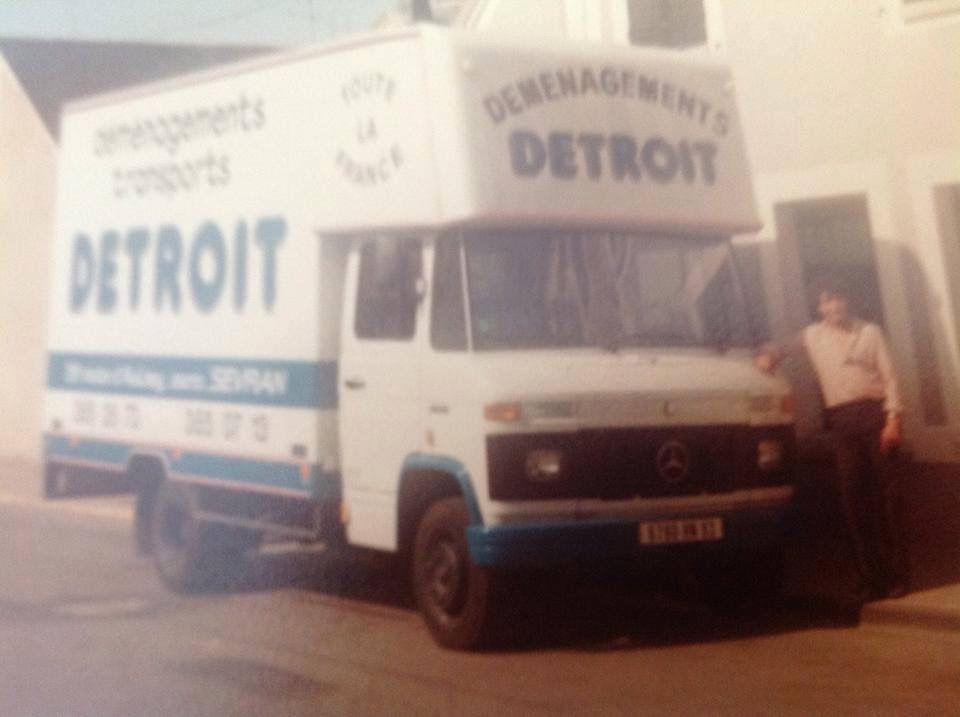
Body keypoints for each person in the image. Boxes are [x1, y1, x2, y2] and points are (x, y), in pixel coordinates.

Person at [755, 274, 909, 601]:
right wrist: (768, 356)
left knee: (887, 499)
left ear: (847, 301)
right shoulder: (813, 336)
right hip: (842, 423)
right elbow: (780, 346)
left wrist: (893, 420)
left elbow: (891, 377)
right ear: (819, 307)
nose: (833, 306)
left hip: (875, 417)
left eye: (838, 298)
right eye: (826, 301)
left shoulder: (870, 331)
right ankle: (869, 579)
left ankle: (898, 576)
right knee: (852, 498)